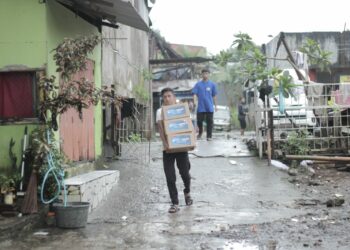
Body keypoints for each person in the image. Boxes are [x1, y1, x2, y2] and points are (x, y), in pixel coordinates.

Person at [156, 88, 193, 213]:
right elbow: (161, 130)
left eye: (169, 96)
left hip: (181, 147)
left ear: (174, 97)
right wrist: (166, 144)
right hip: (167, 149)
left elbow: (188, 126)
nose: (167, 98)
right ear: (162, 98)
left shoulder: (181, 109)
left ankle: (187, 192)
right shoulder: (160, 111)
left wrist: (191, 143)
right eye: (164, 97)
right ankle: (175, 203)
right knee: (170, 176)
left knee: (185, 174)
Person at [192, 68, 218, 141]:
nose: (205, 75)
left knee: (210, 122)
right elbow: (194, 94)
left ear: (209, 74)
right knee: (199, 121)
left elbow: (214, 96)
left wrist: (216, 106)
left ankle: (209, 136)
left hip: (209, 107)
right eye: (204, 73)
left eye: (206, 73)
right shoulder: (198, 84)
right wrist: (194, 102)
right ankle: (200, 132)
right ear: (202, 74)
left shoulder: (212, 84)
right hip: (201, 107)